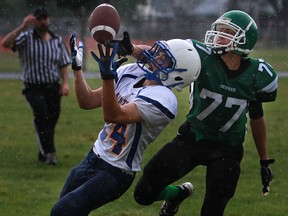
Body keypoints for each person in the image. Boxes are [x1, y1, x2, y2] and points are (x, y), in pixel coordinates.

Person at [123, 10, 277, 216]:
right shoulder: (200, 55)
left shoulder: (257, 75)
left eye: (227, 32)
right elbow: (159, 56)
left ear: (243, 40)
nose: (218, 35)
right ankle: (176, 195)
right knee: (143, 193)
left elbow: (257, 117)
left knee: (212, 211)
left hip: (228, 149)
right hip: (193, 138)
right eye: (219, 30)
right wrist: (131, 49)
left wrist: (264, 161)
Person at [50, 32, 200, 216]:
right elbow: (86, 101)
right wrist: (77, 68)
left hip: (116, 172)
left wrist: (107, 77)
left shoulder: (164, 99)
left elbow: (113, 114)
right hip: (93, 157)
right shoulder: (131, 72)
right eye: (160, 52)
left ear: (177, 75)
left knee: (62, 211)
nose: (156, 57)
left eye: (164, 58)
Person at [1, 7, 70, 165]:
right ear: (34, 21)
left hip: (53, 86)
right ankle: (50, 154)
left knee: (51, 119)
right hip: (33, 86)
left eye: (45, 18)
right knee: (42, 116)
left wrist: (65, 83)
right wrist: (22, 26)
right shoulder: (26, 38)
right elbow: (6, 43)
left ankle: (43, 150)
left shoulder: (57, 40)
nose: (43, 21)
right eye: (40, 19)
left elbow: (64, 64)